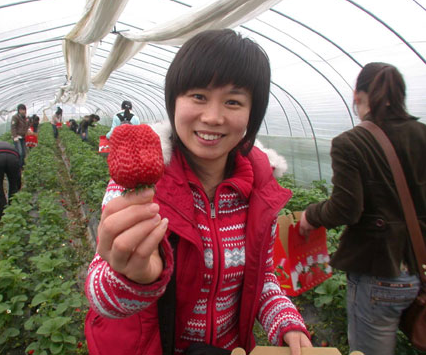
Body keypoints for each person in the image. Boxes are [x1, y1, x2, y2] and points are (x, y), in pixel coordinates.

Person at [84, 29, 311, 355]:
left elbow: (261, 278)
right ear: (174, 100)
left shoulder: (260, 189)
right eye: (198, 96)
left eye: (233, 101)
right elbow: (101, 297)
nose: (213, 117)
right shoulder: (140, 187)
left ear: (252, 113)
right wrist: (136, 279)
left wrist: (286, 322)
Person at [299, 62, 426, 355]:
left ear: (357, 96)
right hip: (419, 267)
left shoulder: (352, 142)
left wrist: (310, 215)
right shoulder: (422, 134)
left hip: (378, 272)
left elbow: (346, 209)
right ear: (401, 95)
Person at [11, 103, 29, 168]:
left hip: (23, 137)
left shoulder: (25, 118)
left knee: (24, 153)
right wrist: (15, 136)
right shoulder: (15, 117)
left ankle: (22, 163)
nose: (23, 111)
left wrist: (28, 130)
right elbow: (13, 127)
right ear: (18, 110)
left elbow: (26, 126)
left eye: (24, 110)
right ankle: (19, 166)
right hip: (17, 137)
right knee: (20, 152)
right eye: (21, 110)